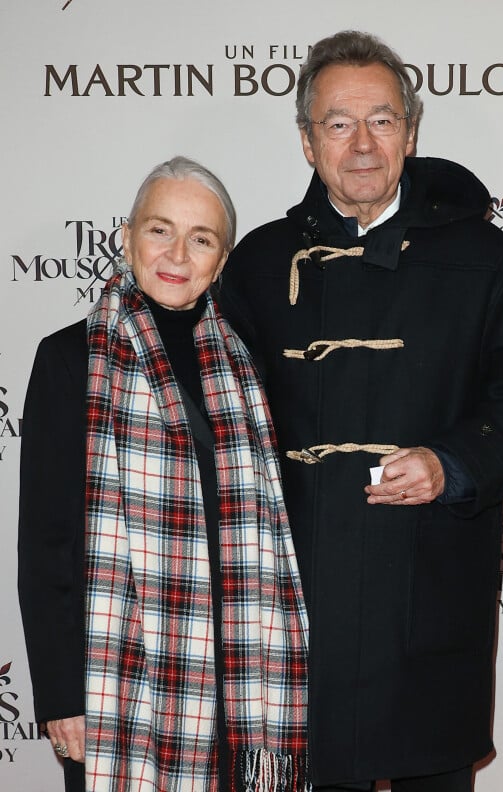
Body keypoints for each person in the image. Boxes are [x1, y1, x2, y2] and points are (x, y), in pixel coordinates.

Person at [218, 30, 503, 792]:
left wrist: (453, 463)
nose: (361, 145)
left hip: (429, 601)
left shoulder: (483, 259)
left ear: (411, 133)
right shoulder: (255, 263)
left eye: (381, 120)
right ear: (308, 141)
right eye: (338, 123)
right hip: (291, 613)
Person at [18, 156, 310, 792]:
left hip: (244, 681)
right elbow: (46, 544)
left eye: (200, 238)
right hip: (118, 684)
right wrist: (62, 693)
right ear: (127, 238)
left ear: (221, 259)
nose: (177, 252)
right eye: (160, 229)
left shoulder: (249, 363)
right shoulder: (71, 358)